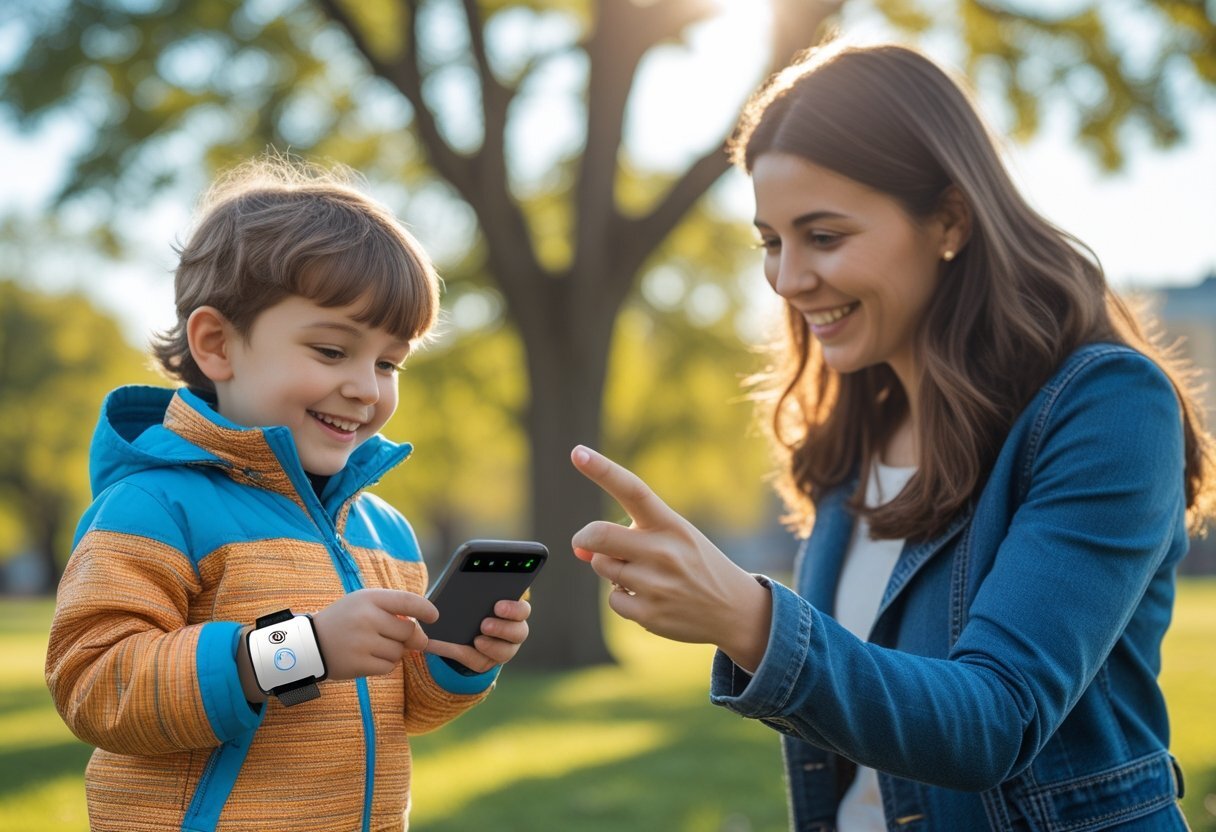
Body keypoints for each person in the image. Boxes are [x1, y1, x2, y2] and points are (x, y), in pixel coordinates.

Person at [570, 41, 1215, 831]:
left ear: (948, 218)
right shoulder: (854, 432)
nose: (787, 278)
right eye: (771, 241)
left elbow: (996, 718)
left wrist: (749, 618)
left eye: (825, 236)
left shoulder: (1109, 408)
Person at [45, 158, 532, 832]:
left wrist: (461, 663)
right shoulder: (156, 506)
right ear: (217, 345)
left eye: (388, 362)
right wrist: (299, 650)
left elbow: (405, 709)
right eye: (333, 351)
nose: (367, 386)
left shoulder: (381, 530)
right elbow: (97, 685)